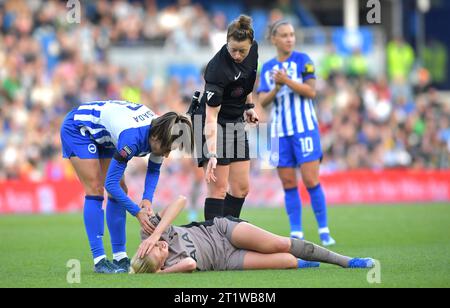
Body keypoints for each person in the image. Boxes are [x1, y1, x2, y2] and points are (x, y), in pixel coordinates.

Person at [60, 100, 194, 273]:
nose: (167, 154)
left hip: (106, 134)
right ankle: (100, 260)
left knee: (121, 190)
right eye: (167, 149)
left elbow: (153, 170)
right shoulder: (132, 140)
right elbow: (110, 183)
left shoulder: (162, 129)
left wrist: (147, 199)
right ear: (154, 138)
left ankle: (120, 257)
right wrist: (137, 212)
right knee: (96, 188)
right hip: (79, 128)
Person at [131, 196, 374, 274]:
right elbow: (191, 263)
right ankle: (303, 261)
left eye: (155, 248)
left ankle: (346, 261)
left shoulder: (151, 233)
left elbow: (181, 200)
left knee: (279, 243)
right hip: (225, 261)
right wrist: (164, 272)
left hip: (221, 231)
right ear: (160, 267)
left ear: (144, 248)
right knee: (287, 261)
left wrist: (156, 235)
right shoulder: (170, 267)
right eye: (161, 257)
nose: (161, 248)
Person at [257, 20, 335, 246]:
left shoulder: (303, 60)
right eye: (284, 35)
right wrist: (277, 88)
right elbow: (263, 101)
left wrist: (286, 81)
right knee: (288, 182)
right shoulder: (267, 67)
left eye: (292, 34)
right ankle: (297, 232)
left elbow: (311, 92)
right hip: (277, 132)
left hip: (305, 129)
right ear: (274, 39)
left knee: (311, 179)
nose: (290, 38)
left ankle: (324, 230)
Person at [191, 15, 259, 220]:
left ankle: (227, 238)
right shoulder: (217, 69)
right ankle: (213, 246)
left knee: (241, 189)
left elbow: (247, 80)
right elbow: (211, 116)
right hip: (210, 123)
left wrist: (249, 106)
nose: (237, 55)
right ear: (226, 42)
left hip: (234, 122)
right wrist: (211, 152)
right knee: (218, 190)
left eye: (242, 51)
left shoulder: (254, 50)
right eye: (233, 49)